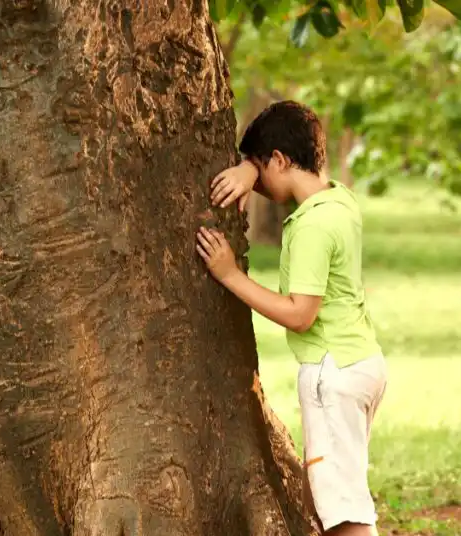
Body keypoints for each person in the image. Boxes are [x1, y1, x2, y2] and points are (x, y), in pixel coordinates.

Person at [195, 101, 387, 536]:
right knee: (325, 496)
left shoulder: (310, 227)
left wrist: (229, 275)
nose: (256, 187)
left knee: (345, 514)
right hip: (361, 363)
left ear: (279, 160)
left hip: (331, 372)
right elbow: (278, 167)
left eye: (260, 173)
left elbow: (301, 315)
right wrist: (249, 167)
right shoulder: (340, 201)